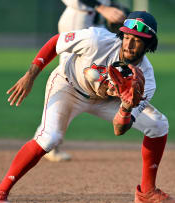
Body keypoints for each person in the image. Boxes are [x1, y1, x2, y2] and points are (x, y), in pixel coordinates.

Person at [0, 11, 175, 203]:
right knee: (49, 138)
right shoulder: (96, 40)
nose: (129, 44)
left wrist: (127, 108)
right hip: (68, 87)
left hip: (106, 101)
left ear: (149, 44)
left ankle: (146, 192)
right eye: (126, 37)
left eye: (137, 40)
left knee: (158, 125)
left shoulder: (147, 80)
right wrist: (30, 76)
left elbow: (119, 129)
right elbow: (56, 42)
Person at [43, 0, 127, 162]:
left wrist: (131, 17)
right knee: (67, 79)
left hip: (96, 21)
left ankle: (51, 141)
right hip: (77, 20)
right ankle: (49, 141)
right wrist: (101, 7)